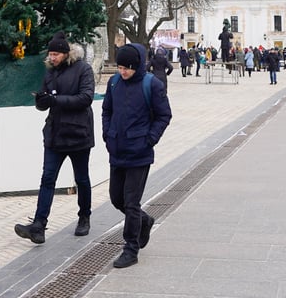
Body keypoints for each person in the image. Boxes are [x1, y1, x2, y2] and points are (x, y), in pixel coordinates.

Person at [15, 31, 96, 245]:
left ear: (66, 53)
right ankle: (39, 226)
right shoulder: (50, 72)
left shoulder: (83, 69)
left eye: (56, 54)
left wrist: (55, 99)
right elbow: (44, 103)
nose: (52, 58)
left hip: (78, 134)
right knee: (47, 179)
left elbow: (86, 98)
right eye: (50, 54)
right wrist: (41, 101)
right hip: (55, 135)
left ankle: (84, 217)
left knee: (82, 179)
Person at [102, 43, 172, 269]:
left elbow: (164, 115)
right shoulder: (114, 83)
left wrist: (149, 139)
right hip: (117, 149)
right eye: (120, 67)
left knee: (131, 203)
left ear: (137, 66)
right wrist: (107, 134)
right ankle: (145, 220)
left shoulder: (151, 84)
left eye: (127, 68)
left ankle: (130, 249)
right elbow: (107, 110)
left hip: (139, 152)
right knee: (116, 199)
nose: (122, 72)